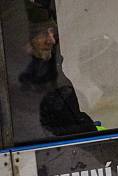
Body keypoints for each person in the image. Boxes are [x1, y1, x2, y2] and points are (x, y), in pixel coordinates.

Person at [7, 0, 96, 142]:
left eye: (52, 32)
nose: (51, 40)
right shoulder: (12, 90)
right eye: (43, 33)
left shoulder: (55, 75)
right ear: (24, 41)